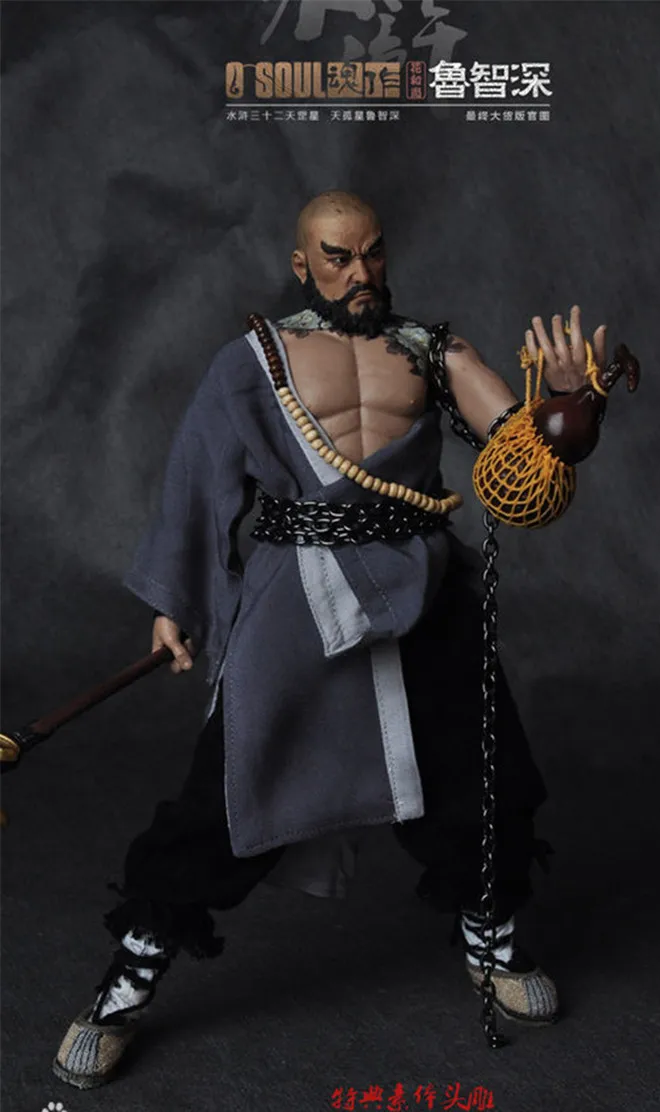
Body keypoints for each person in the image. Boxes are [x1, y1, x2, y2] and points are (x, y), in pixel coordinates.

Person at [53, 191, 608, 1089]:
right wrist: (178, 600)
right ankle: (132, 972)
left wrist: (569, 408)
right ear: (302, 264)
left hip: (421, 586)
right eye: (338, 257)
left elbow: (520, 455)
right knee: (231, 788)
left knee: (482, 768)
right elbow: (199, 477)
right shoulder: (256, 359)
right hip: (297, 594)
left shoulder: (431, 349)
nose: (361, 274)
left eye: (373, 254)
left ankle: (492, 935)